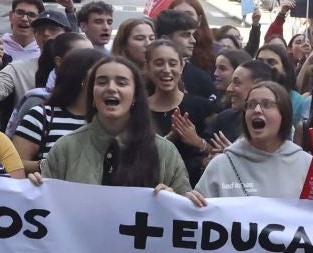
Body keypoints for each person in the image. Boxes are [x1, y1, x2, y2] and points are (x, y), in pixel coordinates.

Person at [40, 55, 197, 200]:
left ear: (135, 95)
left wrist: (176, 199)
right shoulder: (65, 148)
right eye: (102, 82)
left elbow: (185, 213)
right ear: (92, 95)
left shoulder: (165, 152)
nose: (111, 88)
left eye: (121, 83)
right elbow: (47, 208)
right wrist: (36, 189)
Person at [196, 77, 311, 198]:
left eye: (266, 104)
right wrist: (193, 200)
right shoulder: (221, 165)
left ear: (284, 113)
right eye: (250, 105)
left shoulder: (307, 165)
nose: (257, 110)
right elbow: (197, 211)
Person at [12, 46, 105, 177]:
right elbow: (13, 163)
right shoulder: (41, 116)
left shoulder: (108, 119)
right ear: (81, 77)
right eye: (101, 75)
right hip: (52, 193)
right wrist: (48, 164)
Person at [144, 39, 214, 180]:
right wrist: (169, 138)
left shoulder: (203, 107)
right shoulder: (137, 109)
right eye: (159, 63)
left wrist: (198, 141)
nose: (166, 69)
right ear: (147, 68)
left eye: (172, 63)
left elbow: (222, 154)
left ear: (181, 67)